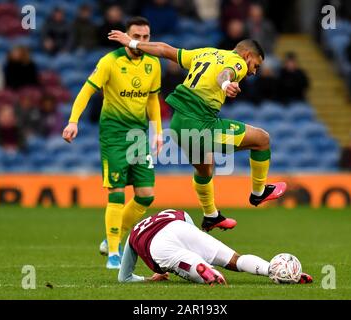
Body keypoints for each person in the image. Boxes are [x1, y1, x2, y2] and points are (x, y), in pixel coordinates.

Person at [108, 30, 287, 233]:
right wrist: (226, 84)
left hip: (177, 124)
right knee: (262, 139)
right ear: (247, 55)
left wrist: (132, 43)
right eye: (255, 65)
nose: (253, 71)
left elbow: (165, 50)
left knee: (204, 168)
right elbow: (224, 74)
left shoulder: (205, 53)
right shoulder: (237, 62)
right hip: (200, 125)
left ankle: (210, 216)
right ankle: (259, 192)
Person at [63, 17, 163, 269]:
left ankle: (112, 238)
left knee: (146, 196)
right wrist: (73, 121)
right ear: (127, 36)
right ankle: (114, 254)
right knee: (116, 193)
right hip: (114, 135)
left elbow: (152, 100)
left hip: (139, 136)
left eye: (146, 37)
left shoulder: (153, 62)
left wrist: (158, 132)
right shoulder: (110, 61)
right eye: (137, 36)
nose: (141, 41)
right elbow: (86, 91)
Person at [118, 209, 313, 285]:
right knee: (235, 259)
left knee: (196, 266)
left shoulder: (133, 234)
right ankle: (275, 270)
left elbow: (124, 278)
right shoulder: (168, 212)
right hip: (180, 225)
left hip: (159, 246)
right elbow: (186, 220)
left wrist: (149, 279)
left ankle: (206, 271)